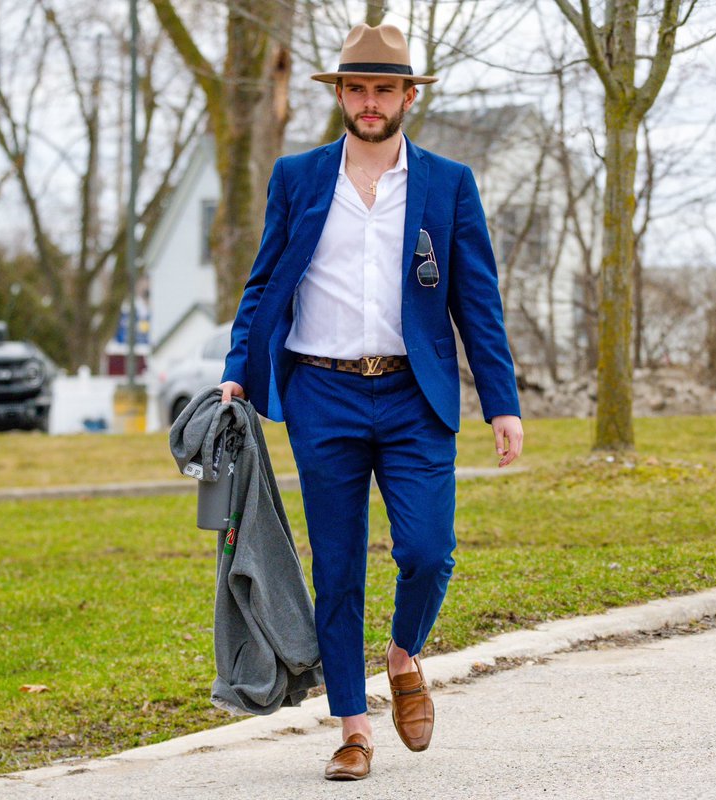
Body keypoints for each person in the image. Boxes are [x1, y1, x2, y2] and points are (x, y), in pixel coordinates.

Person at [217, 21, 523, 781]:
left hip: (417, 393)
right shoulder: (297, 176)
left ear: (408, 96)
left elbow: (477, 302)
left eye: (384, 89)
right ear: (341, 96)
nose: (370, 102)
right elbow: (264, 282)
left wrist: (502, 401)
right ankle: (353, 728)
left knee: (427, 551)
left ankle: (403, 654)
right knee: (339, 565)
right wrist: (238, 369)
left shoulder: (448, 183)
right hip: (322, 392)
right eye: (357, 88)